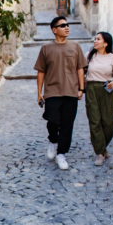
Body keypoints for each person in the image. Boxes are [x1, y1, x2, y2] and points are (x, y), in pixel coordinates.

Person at [35, 16, 88, 170]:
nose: (67, 27)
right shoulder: (46, 48)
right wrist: (39, 93)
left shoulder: (75, 46)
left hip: (71, 91)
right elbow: (41, 71)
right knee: (53, 120)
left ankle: (61, 154)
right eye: (63, 25)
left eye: (67, 25)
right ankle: (53, 141)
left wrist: (81, 88)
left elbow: (80, 68)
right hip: (52, 91)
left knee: (67, 124)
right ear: (54, 30)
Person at [85, 32, 113, 166]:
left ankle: (102, 146)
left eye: (98, 39)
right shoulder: (89, 56)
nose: (95, 41)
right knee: (95, 121)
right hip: (92, 89)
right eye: (95, 39)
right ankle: (100, 153)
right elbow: (81, 71)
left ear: (106, 43)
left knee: (108, 122)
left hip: (107, 90)